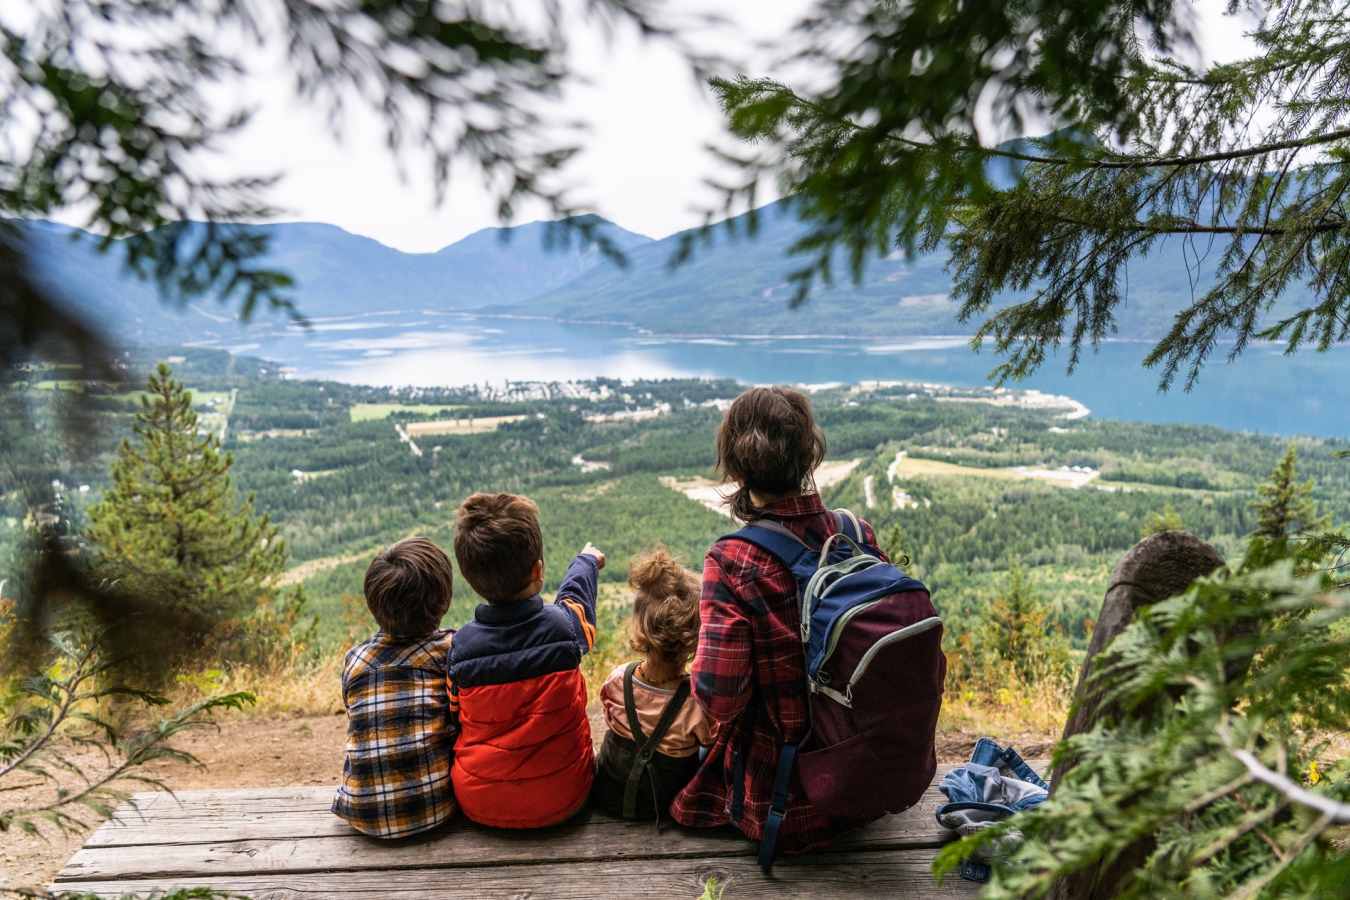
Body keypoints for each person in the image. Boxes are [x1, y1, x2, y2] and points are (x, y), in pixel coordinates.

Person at [671, 386, 886, 853]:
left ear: (736, 464)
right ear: (809, 454)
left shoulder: (733, 559)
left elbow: (719, 698)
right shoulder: (855, 533)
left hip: (783, 804)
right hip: (865, 781)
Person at [447, 491, 604, 829]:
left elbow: (454, 712)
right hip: (566, 796)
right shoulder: (565, 629)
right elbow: (575, 602)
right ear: (538, 570)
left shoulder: (461, 648)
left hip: (480, 803)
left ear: (471, 580)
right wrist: (586, 562)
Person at [332, 537, 458, 838]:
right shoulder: (451, 650)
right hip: (435, 809)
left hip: (363, 814)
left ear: (373, 604)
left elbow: (356, 716)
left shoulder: (356, 660)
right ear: (444, 599)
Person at [591, 547, 712, 821]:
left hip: (608, 798)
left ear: (640, 627)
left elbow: (609, 716)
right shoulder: (697, 702)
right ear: (693, 636)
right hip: (663, 808)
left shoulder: (616, 680)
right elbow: (709, 738)